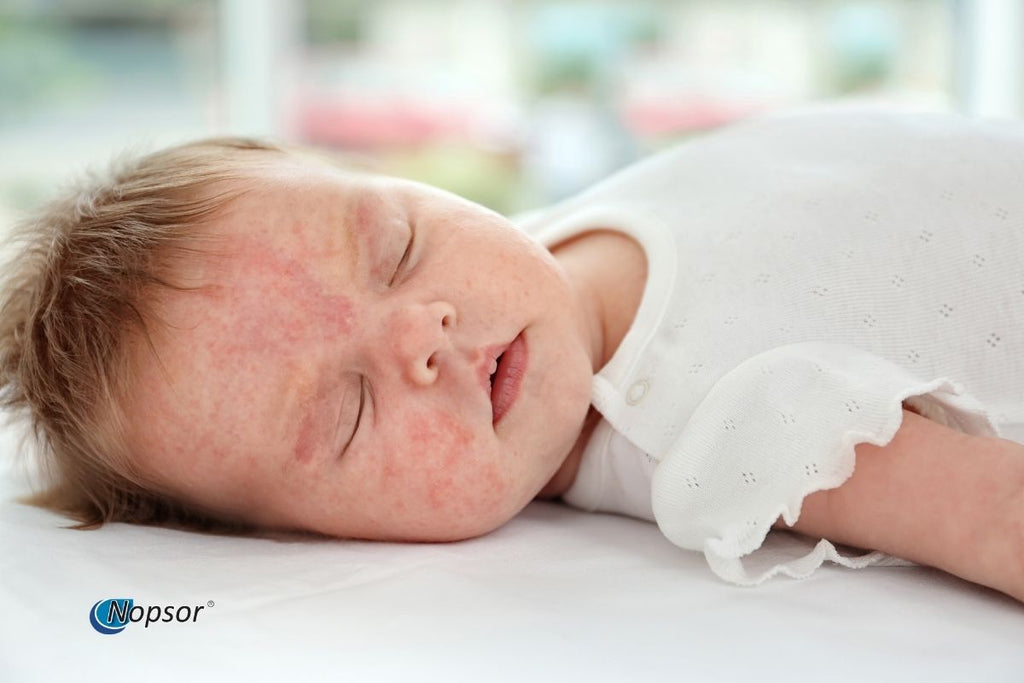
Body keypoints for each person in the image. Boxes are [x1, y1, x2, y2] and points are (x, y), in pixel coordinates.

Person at [1, 106, 1022, 603]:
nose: (421, 335)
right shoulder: (720, 430)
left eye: (394, 244)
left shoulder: (544, 237)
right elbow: (994, 513)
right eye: (347, 412)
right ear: (309, 534)